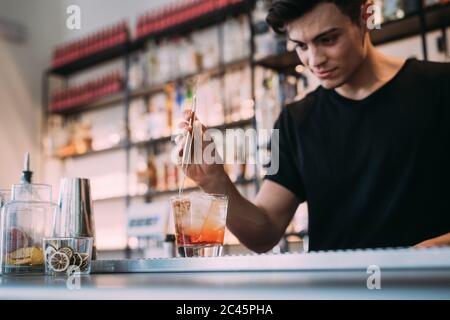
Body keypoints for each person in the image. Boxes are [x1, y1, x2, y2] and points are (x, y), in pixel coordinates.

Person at [175, 0, 450, 252]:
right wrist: (215, 181)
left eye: (328, 39)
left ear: (365, 17)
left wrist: (435, 249)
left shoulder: (440, 88)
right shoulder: (293, 121)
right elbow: (264, 232)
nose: (314, 60)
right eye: (301, 46)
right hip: (333, 291)